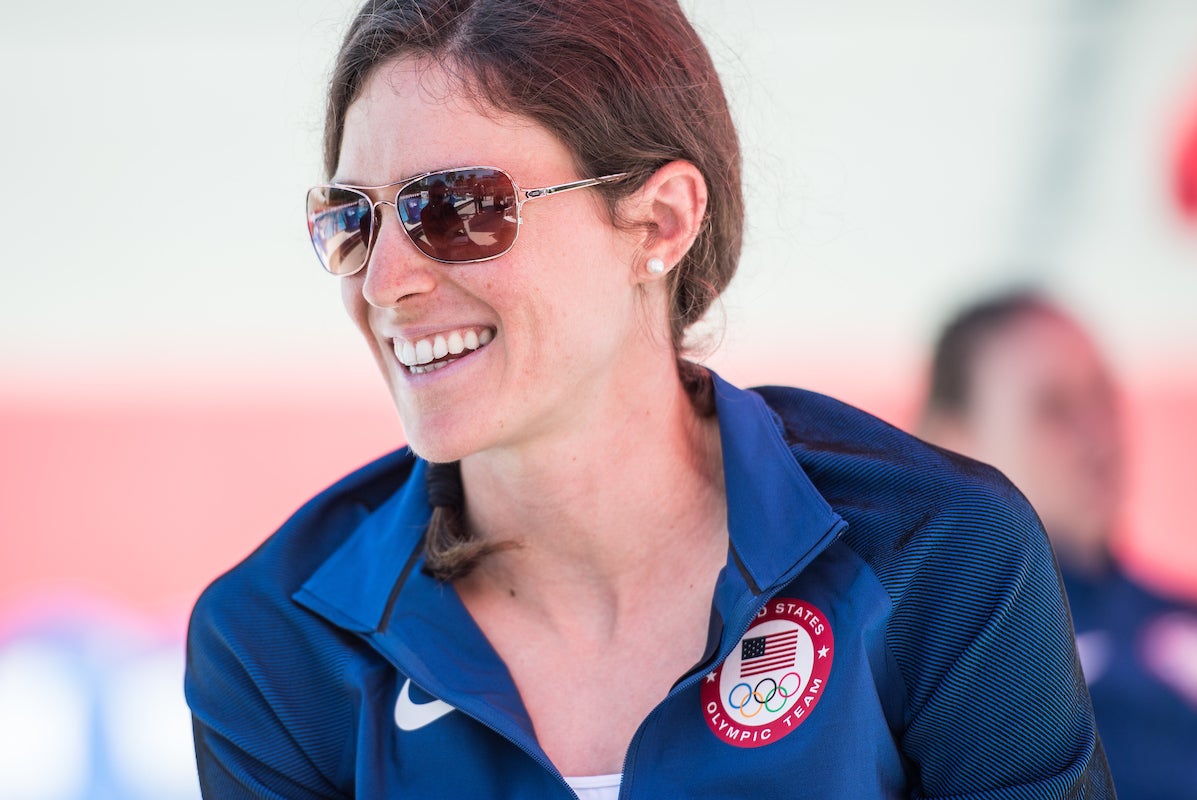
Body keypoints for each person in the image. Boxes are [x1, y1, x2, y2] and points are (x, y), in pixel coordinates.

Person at [186, 2, 1114, 797]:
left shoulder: (937, 556)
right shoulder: (277, 645)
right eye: (354, 219)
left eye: (457, 209)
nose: (386, 282)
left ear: (659, 223)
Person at [919, 289, 1197, 799]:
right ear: (952, 442)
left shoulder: (1185, 616)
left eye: (1103, 397)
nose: (1098, 433)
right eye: (1055, 408)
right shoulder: (929, 654)